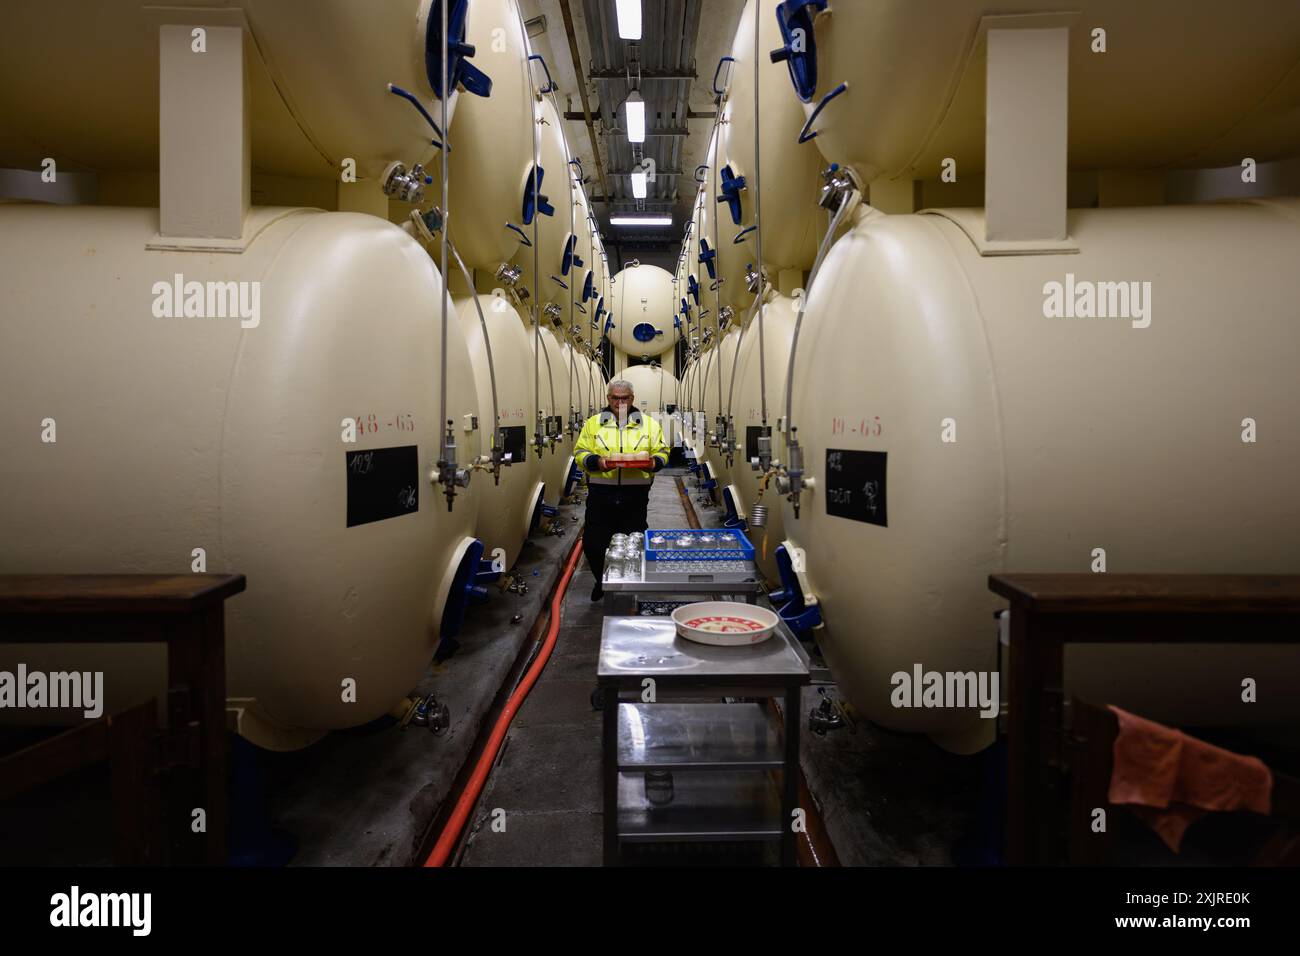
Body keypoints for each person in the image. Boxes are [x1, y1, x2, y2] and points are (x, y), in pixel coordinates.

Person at [574, 379, 670, 600]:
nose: (620, 402)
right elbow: (580, 452)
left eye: (624, 397)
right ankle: (603, 581)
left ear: (632, 399)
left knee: (633, 545)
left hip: (635, 496)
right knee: (594, 544)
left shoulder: (648, 424)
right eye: (615, 398)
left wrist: (654, 462)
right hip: (601, 494)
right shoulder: (593, 423)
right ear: (608, 399)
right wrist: (596, 462)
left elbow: (663, 450)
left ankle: (628, 590)